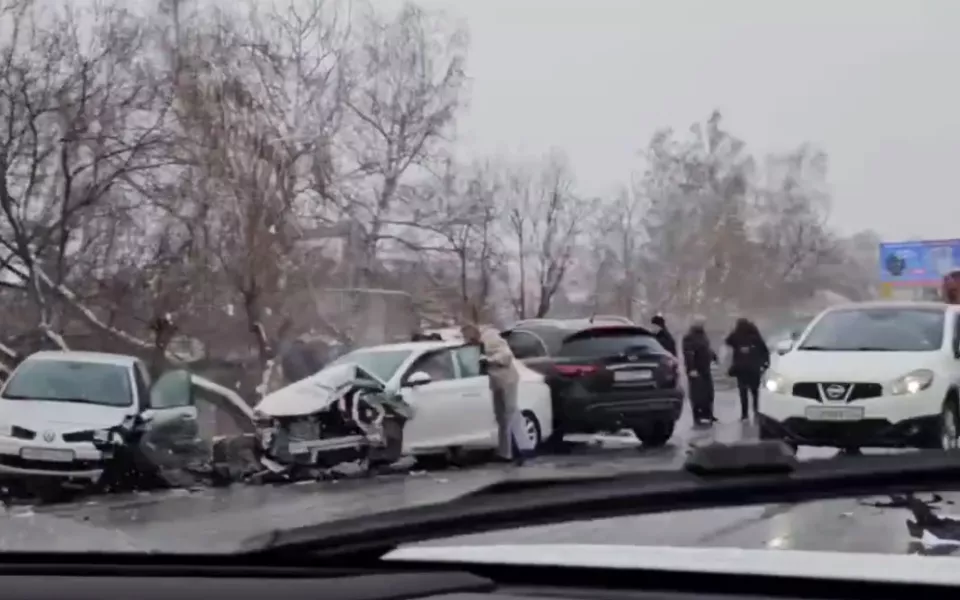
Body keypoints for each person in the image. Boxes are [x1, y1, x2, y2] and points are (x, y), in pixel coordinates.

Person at [460, 321, 531, 465]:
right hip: (496, 382)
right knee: (501, 417)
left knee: (509, 415)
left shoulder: (491, 338)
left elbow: (507, 356)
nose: (467, 340)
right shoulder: (476, 344)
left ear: (474, 332)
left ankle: (521, 451)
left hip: (507, 380)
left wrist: (489, 360)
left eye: (468, 337)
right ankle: (506, 452)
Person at [724, 318, 770, 422]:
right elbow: (764, 351)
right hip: (753, 369)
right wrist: (765, 364)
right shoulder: (755, 336)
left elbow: (727, 341)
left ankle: (744, 414)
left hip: (741, 369)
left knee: (743, 392)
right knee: (755, 392)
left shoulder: (736, 337)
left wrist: (732, 330)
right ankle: (756, 411)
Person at [682, 319, 718, 426]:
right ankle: (697, 416)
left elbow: (706, 349)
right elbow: (689, 354)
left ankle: (708, 414)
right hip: (696, 370)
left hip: (705, 368)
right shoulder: (689, 338)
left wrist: (713, 356)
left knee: (708, 393)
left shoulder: (703, 336)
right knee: (697, 394)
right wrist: (692, 368)